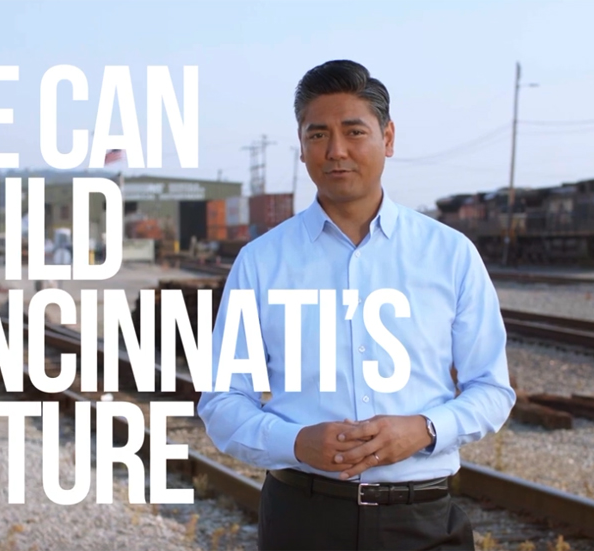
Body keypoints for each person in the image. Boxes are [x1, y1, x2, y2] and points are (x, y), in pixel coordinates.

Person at [197, 60, 514, 551]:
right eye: (318, 134)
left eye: (354, 131)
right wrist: (297, 443)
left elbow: (492, 389)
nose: (336, 151)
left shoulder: (450, 254)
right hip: (302, 520)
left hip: (424, 523)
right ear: (301, 147)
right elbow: (221, 402)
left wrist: (426, 430)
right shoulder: (260, 262)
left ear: (388, 138)